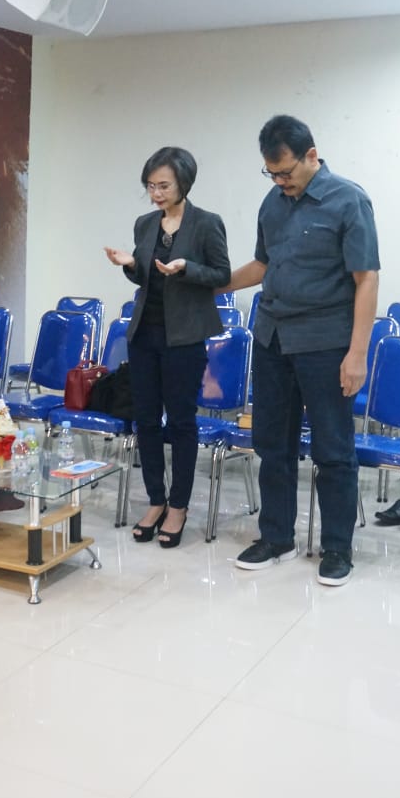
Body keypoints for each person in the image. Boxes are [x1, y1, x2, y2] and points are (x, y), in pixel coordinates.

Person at [227, 115, 379, 586]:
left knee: (333, 449)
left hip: (325, 343)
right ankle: (276, 538)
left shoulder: (348, 200)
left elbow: (366, 278)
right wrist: (213, 284)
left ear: (311, 155)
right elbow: (262, 264)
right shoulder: (272, 203)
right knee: (272, 444)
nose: (280, 182)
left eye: (286, 172)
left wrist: (357, 354)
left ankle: (337, 548)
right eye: (271, 173)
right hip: (272, 339)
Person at [105, 147, 230, 549]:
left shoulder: (206, 223)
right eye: (150, 186)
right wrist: (130, 264)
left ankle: (178, 506)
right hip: (145, 334)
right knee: (145, 419)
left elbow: (221, 274)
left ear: (184, 183)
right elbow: (144, 277)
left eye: (163, 185)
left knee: (180, 422)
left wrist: (186, 268)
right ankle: (155, 500)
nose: (155, 193)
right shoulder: (145, 224)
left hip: (184, 337)